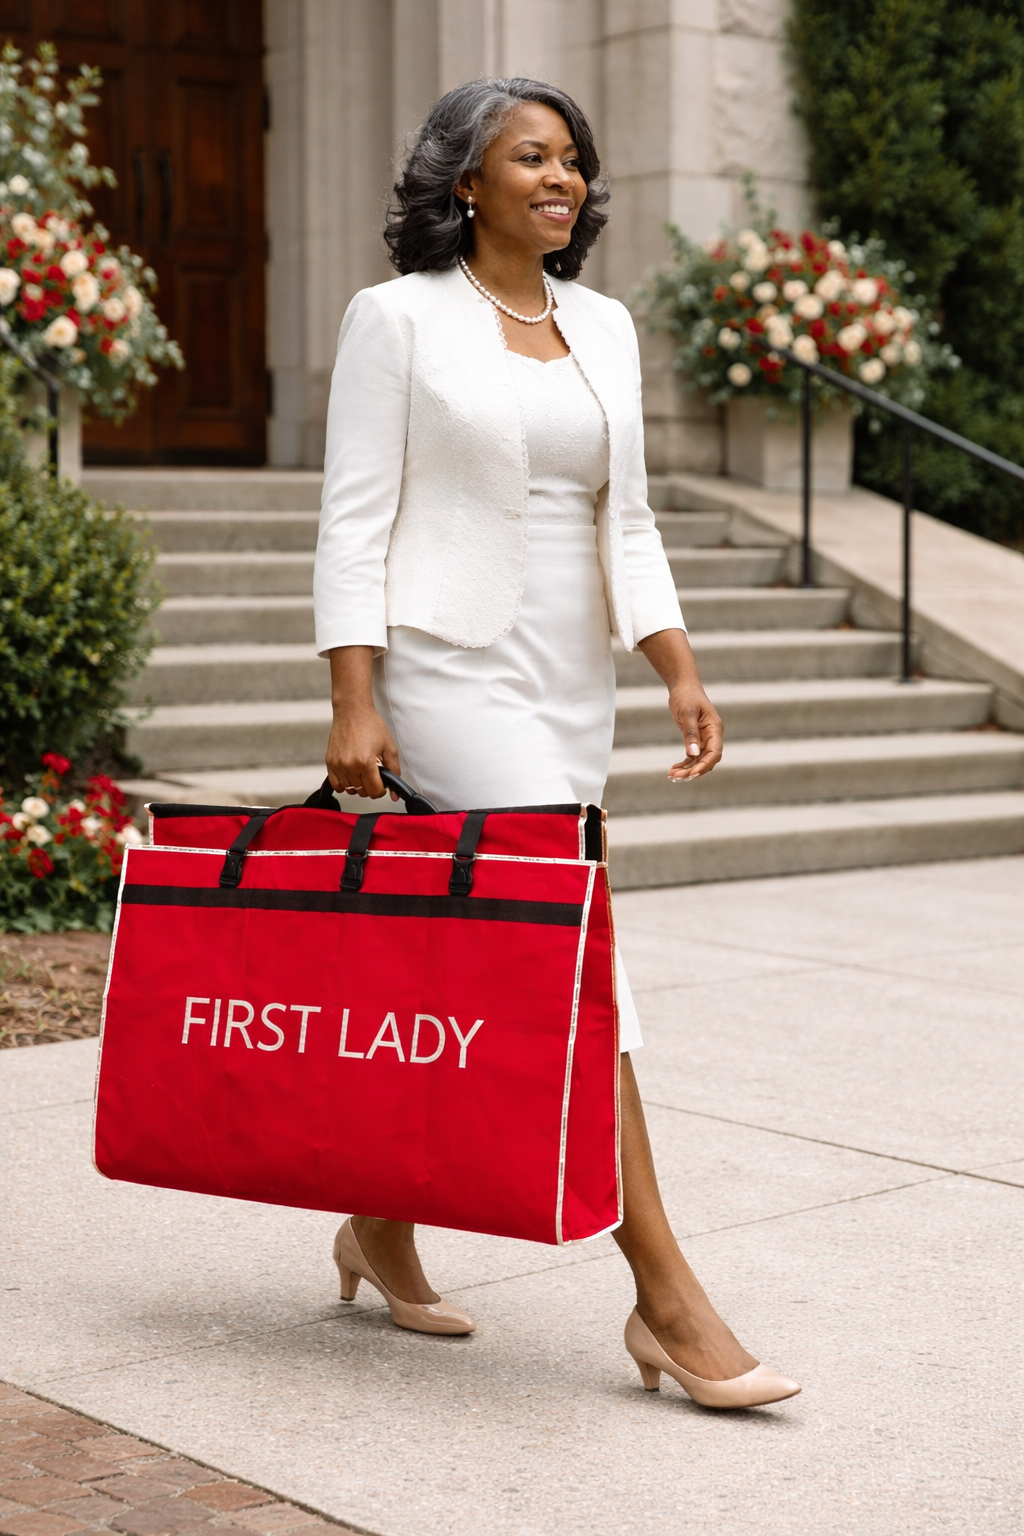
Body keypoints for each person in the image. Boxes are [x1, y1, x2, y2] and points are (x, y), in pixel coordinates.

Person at [314, 77, 800, 1410]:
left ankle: (377, 1221)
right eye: (530, 156)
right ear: (465, 183)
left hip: (565, 675)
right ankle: (666, 1298)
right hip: (448, 668)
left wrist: (677, 666)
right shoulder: (396, 319)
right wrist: (354, 696)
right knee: (575, 958)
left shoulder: (603, 326)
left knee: (471, 962)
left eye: (573, 160)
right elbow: (356, 517)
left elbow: (626, 516)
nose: (560, 177)